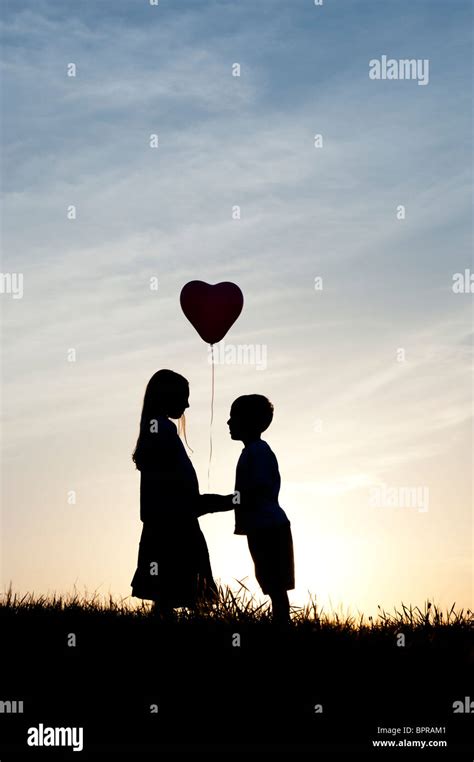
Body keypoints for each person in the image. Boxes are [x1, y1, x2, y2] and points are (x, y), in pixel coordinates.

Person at [199, 394, 294, 625]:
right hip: (264, 526)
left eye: (234, 417)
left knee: (275, 585)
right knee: (271, 583)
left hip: (269, 527)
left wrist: (218, 503)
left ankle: (282, 627)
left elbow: (256, 491)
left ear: (249, 421)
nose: (229, 422)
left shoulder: (257, 452)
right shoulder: (253, 451)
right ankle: (281, 625)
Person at [130, 369, 217, 617]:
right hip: (174, 523)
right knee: (174, 592)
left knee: (165, 596)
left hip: (164, 521)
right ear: (167, 396)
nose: (188, 404)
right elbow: (174, 482)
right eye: (183, 397)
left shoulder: (156, 429)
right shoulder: (162, 430)